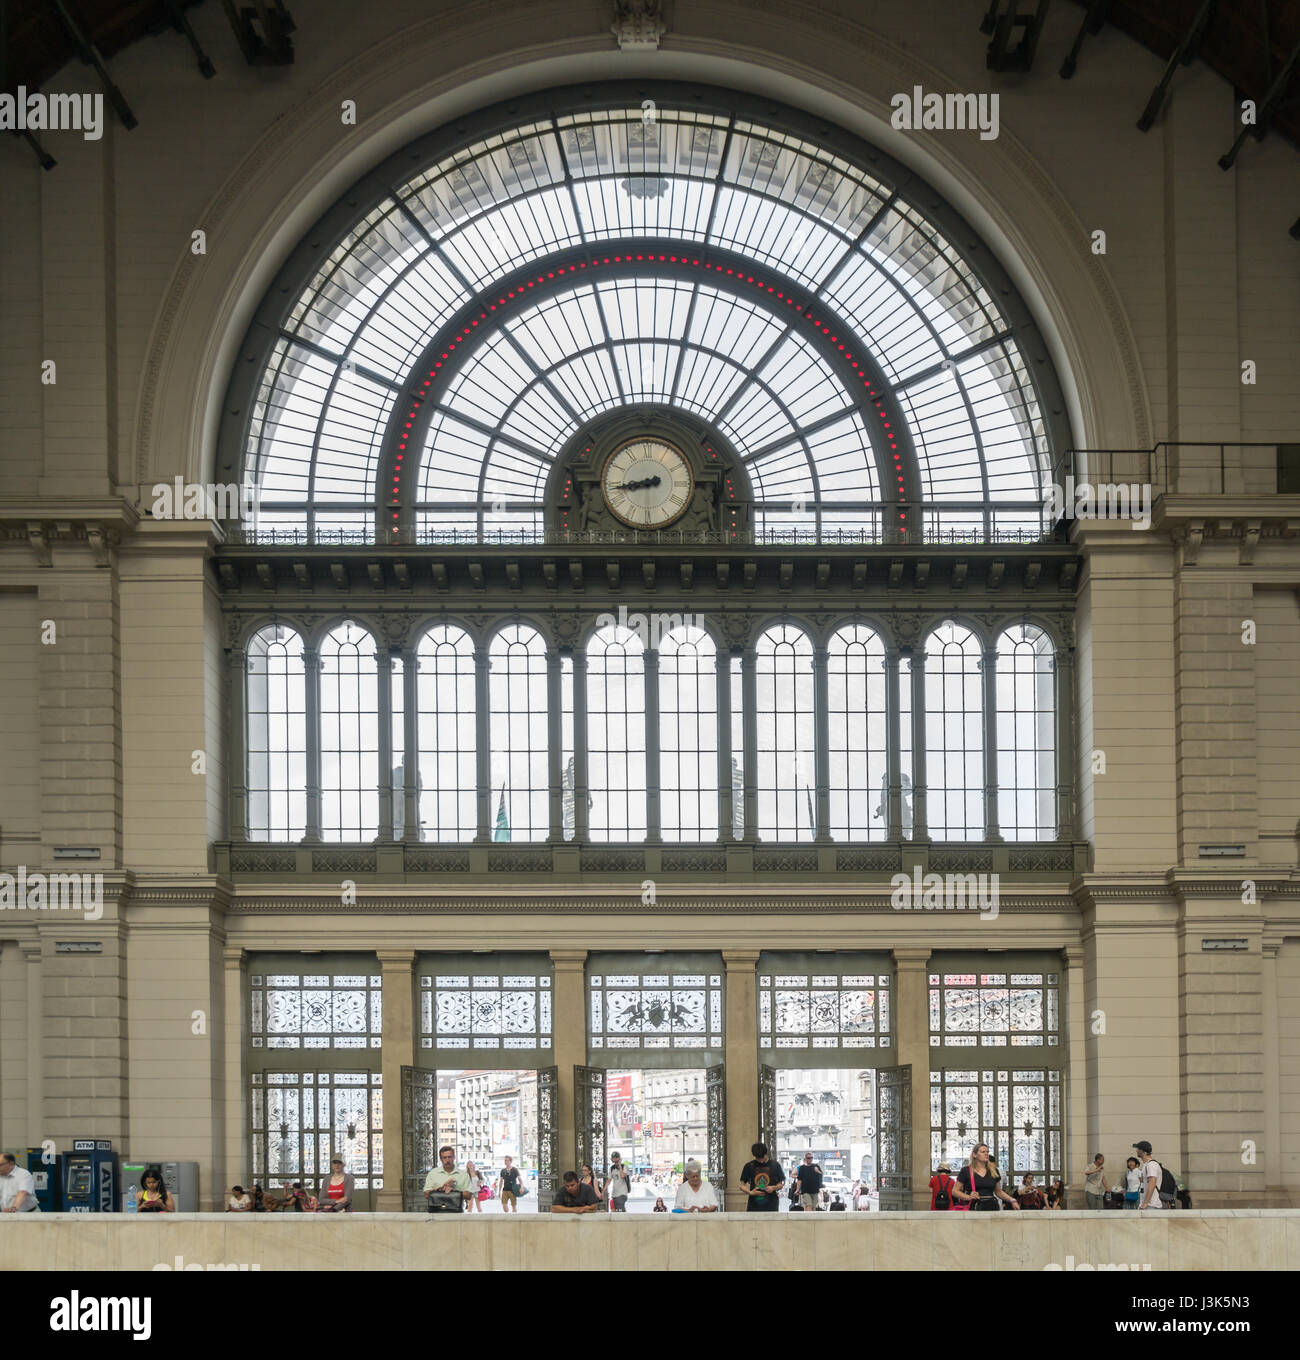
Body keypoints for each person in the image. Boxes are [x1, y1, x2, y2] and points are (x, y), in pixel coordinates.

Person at [953, 1144, 1020, 1211]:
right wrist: (968, 1197)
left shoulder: (994, 1171)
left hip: (991, 1206)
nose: (986, 1154)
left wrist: (1012, 1200)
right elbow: (955, 1191)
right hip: (973, 1208)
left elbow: (998, 1191)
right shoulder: (966, 1171)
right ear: (974, 1154)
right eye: (983, 1152)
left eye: (987, 1152)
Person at [424, 1145, 473, 1211]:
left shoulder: (463, 1175)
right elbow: (426, 1194)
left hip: (456, 1212)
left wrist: (453, 1191)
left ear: (454, 1157)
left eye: (449, 1157)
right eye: (444, 1157)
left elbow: (469, 1195)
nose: (447, 1160)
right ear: (441, 1159)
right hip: (436, 1212)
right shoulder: (433, 1173)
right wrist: (440, 1189)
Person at [739, 1141, 785, 1212]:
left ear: (766, 1154)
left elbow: (781, 1184)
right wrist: (750, 1192)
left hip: (771, 1206)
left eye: (762, 1157)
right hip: (754, 1206)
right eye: (758, 1158)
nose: (760, 1161)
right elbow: (741, 1185)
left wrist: (773, 1188)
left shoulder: (775, 1165)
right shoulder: (749, 1166)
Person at [1133, 1141, 1165, 1210]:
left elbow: (1152, 1184)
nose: (1136, 1150)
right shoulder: (1146, 1165)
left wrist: (1145, 1203)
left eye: (1138, 1149)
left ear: (1142, 1151)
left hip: (1151, 1205)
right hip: (1148, 1205)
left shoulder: (1151, 1165)